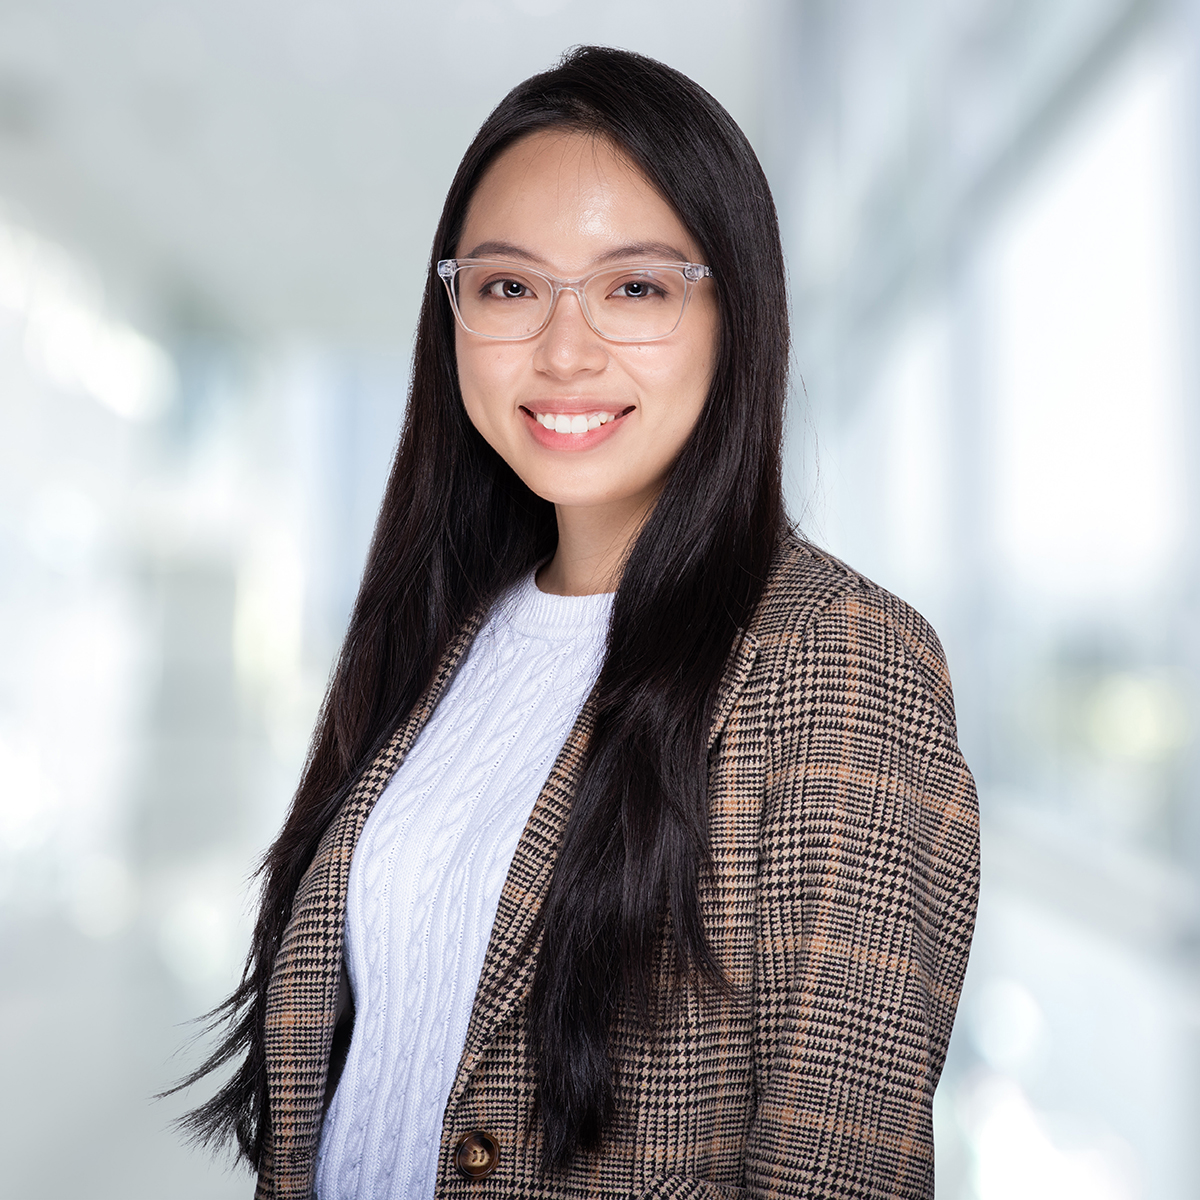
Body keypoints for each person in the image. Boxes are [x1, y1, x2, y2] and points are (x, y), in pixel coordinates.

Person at [182, 45, 980, 1200]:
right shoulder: (444, 630)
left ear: (735, 312)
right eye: (509, 287)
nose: (562, 351)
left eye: (634, 288)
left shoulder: (836, 656)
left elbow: (836, 1162)